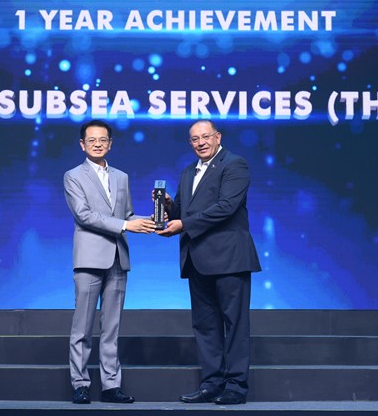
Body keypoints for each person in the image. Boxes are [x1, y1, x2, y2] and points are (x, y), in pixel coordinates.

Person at [158, 120, 261, 405]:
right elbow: (183, 213)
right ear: (190, 143)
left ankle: (236, 387)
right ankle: (211, 384)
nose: (201, 142)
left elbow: (226, 207)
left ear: (218, 137)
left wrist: (183, 224)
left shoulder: (235, 164)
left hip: (229, 258)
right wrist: (168, 206)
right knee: (205, 326)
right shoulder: (188, 171)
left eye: (205, 136)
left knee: (234, 324)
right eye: (195, 139)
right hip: (197, 259)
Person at [63, 119, 156, 404]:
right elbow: (84, 215)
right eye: (92, 140)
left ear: (110, 144)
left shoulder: (121, 177)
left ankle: (110, 386)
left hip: (118, 257)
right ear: (82, 144)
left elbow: (126, 215)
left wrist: (151, 219)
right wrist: (127, 226)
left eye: (102, 140)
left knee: (111, 328)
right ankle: (80, 384)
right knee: (82, 327)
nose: (97, 144)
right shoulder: (73, 176)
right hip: (89, 259)